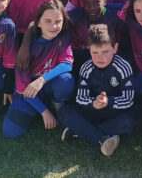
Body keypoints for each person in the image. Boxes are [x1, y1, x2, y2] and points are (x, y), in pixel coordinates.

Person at [58, 24, 135, 156]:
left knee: (128, 123)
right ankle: (103, 138)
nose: (100, 58)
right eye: (95, 53)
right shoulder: (86, 67)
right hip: (92, 109)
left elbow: (128, 100)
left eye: (105, 52)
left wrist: (108, 102)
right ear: (89, 49)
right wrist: (94, 103)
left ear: (115, 48)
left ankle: (79, 131)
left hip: (113, 111)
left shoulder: (123, 67)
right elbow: (80, 98)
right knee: (64, 112)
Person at [2, 0, 75, 138]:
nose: (53, 26)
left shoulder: (63, 38)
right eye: (47, 21)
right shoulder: (26, 47)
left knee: (66, 80)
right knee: (10, 131)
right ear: (39, 23)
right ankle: (43, 109)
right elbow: (22, 88)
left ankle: (57, 103)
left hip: (48, 85)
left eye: (58, 21)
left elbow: (67, 64)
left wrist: (42, 80)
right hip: (29, 93)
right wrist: (44, 112)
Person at [64, 0, 128, 74]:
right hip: (81, 61)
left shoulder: (115, 20)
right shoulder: (75, 16)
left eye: (96, 3)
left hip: (107, 61)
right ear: (82, 3)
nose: (92, 7)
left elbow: (122, 48)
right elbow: (58, 19)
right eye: (87, 3)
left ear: (104, 1)